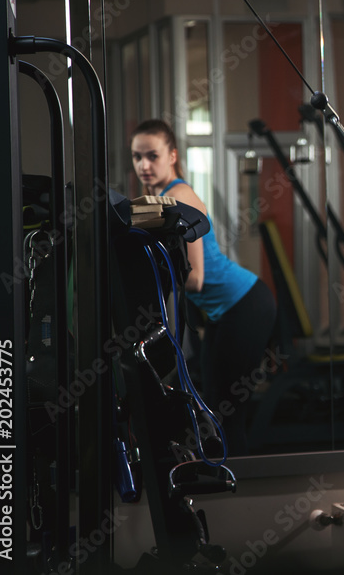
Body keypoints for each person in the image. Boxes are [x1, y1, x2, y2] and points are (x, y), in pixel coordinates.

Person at [131, 119, 276, 456]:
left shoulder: (178, 196)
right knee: (213, 400)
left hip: (245, 303)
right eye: (137, 157)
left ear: (172, 156)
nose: (144, 165)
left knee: (226, 407)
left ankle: (238, 485)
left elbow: (194, 278)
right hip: (225, 310)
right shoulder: (161, 198)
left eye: (153, 156)